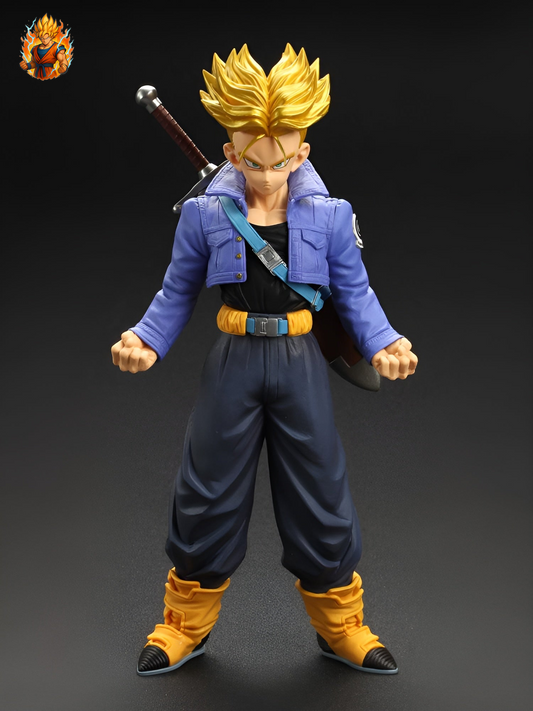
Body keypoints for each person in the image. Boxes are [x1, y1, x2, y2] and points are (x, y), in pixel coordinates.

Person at [111, 44, 418, 677]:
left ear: (302, 154)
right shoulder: (205, 215)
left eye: (281, 161)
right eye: (253, 161)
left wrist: (385, 342)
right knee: (206, 487)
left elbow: (355, 291)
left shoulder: (331, 217)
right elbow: (176, 290)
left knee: (320, 489)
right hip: (234, 360)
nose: (268, 174)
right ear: (231, 153)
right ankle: (184, 623)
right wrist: (146, 338)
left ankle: (342, 625)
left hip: (301, 360)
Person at [20, 14, 68, 79]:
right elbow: (34, 63)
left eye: (47, 38)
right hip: (36, 75)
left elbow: (62, 60)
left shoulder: (57, 47)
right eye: (42, 38)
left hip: (50, 76)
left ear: (52, 36)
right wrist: (27, 66)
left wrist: (64, 66)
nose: (44, 40)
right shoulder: (35, 48)